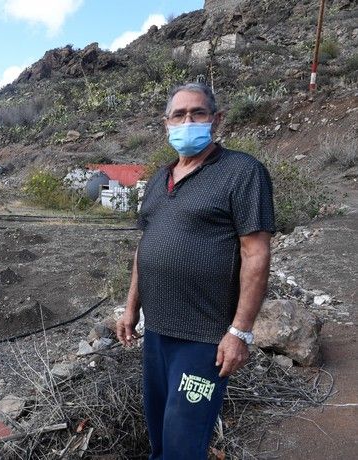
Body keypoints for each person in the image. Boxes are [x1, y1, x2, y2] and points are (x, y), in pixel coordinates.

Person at [116, 82, 275, 459]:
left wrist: (240, 332)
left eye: (197, 113)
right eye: (179, 115)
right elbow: (146, 247)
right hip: (157, 333)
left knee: (183, 444)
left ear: (216, 119)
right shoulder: (159, 178)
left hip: (204, 340)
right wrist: (130, 307)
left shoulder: (242, 172)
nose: (188, 121)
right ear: (166, 123)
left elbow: (256, 254)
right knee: (159, 434)